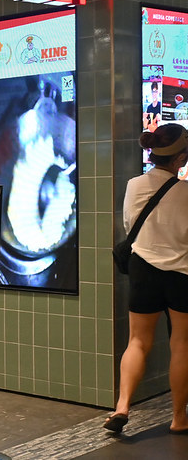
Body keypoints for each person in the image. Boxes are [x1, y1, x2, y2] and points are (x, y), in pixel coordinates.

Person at [105, 124, 188, 435]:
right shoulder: (186, 192)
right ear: (180, 158)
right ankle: (179, 418)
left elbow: (130, 226)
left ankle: (122, 406)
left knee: (138, 341)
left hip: (143, 269)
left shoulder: (134, 185)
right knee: (181, 344)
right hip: (181, 273)